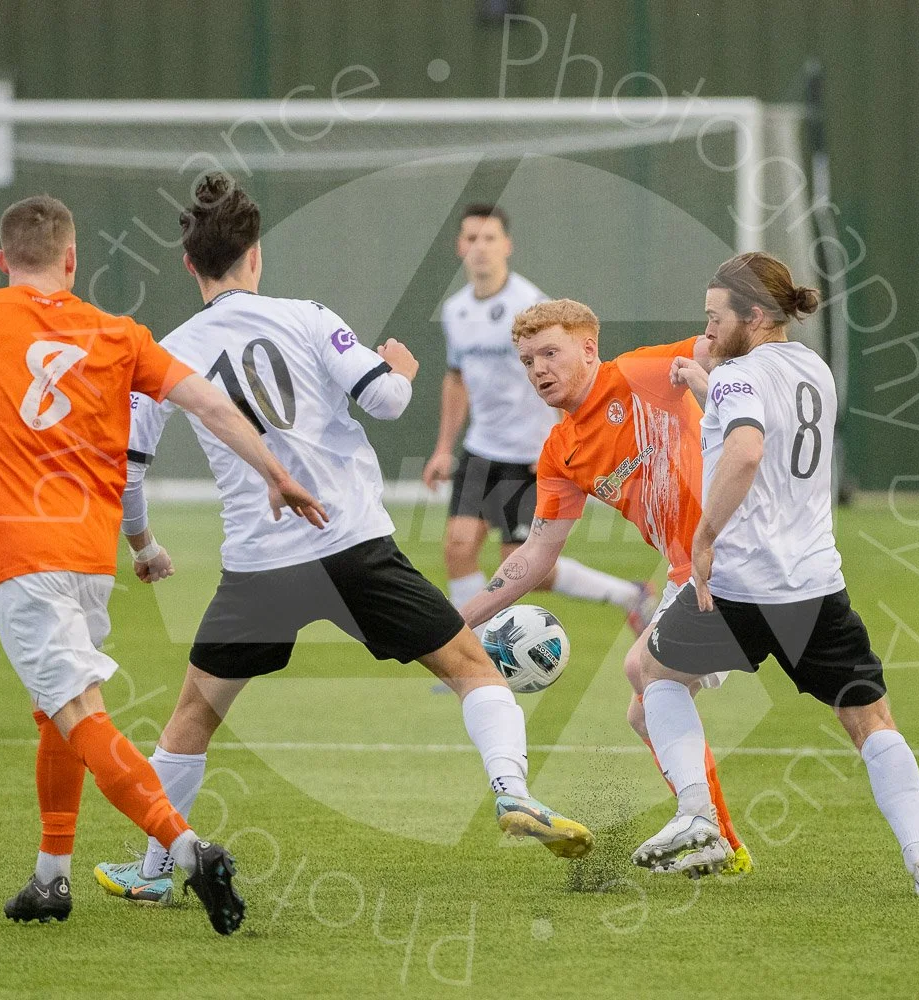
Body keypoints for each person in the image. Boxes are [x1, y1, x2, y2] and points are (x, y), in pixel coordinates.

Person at [91, 175, 593, 905]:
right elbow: (385, 401)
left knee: (194, 713)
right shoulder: (307, 317)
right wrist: (401, 369)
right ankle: (513, 791)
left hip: (261, 565)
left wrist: (143, 546)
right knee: (471, 667)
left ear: (190, 265)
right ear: (255, 256)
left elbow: (127, 470)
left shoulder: (166, 351)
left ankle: (154, 870)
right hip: (355, 545)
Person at [0, 195, 327, 933]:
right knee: (56, 710)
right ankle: (51, 877)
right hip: (89, 562)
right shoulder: (120, 334)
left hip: (22, 558)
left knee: (78, 711)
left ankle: (188, 852)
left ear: (3, 261)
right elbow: (210, 405)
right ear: (72, 260)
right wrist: (276, 472)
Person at [630, 252, 919, 895]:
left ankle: (697, 811)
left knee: (655, 675)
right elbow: (764, 424)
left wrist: (704, 537)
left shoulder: (738, 377)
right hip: (815, 588)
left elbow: (746, 449)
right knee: (872, 722)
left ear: (755, 316)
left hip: (737, 586)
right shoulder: (814, 369)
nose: (707, 329)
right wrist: (707, 385)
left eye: (716, 317)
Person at [458, 299, 751, 873]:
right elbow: (536, 555)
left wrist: (737, 353)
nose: (539, 369)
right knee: (645, 707)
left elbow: (720, 351)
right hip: (688, 573)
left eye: (550, 353)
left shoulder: (639, 374)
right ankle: (723, 843)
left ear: (589, 348)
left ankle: (711, 832)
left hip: (737, 555)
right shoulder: (560, 451)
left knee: (645, 670)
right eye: (527, 361)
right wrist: (458, 620)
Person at [423, 204, 647, 625]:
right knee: (458, 548)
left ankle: (630, 595)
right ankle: (475, 652)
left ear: (506, 245)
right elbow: (456, 379)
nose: (480, 248)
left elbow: (567, 376)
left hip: (529, 452)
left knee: (527, 566)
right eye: (471, 238)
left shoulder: (531, 306)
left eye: (489, 238)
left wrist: (556, 442)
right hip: (481, 447)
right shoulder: (455, 310)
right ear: (459, 247)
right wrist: (442, 448)